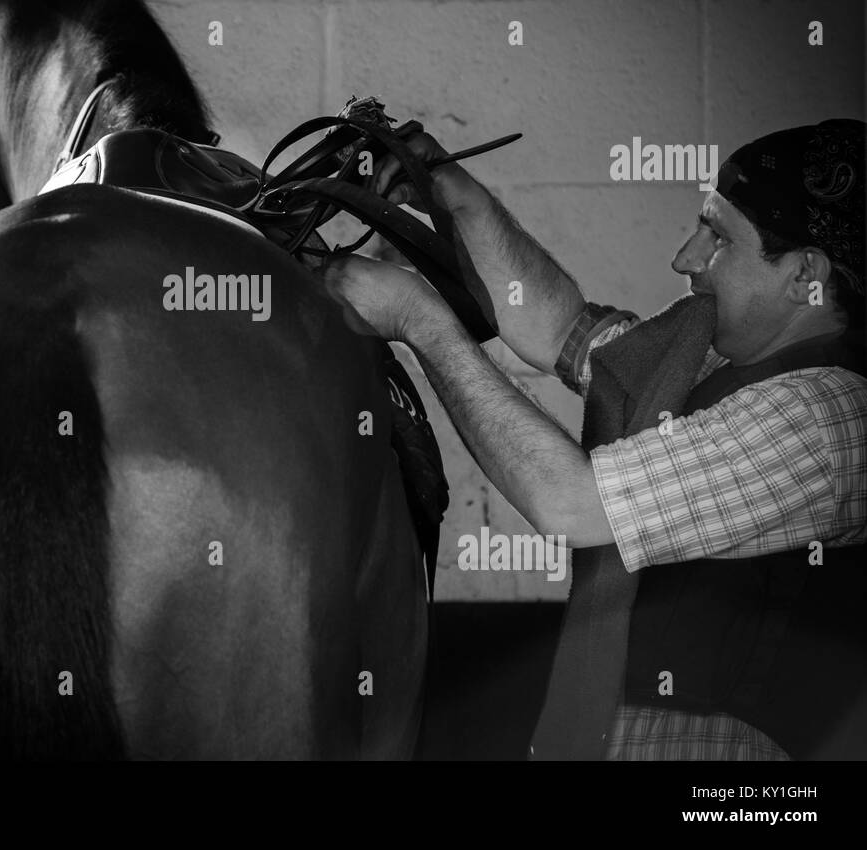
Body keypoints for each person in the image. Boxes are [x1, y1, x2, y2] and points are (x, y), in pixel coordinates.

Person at [321, 119, 867, 761]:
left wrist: (420, 320)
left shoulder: (827, 416)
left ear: (806, 273)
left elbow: (572, 504)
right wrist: (451, 192)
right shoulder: (709, 362)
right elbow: (563, 331)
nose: (685, 258)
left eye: (717, 237)